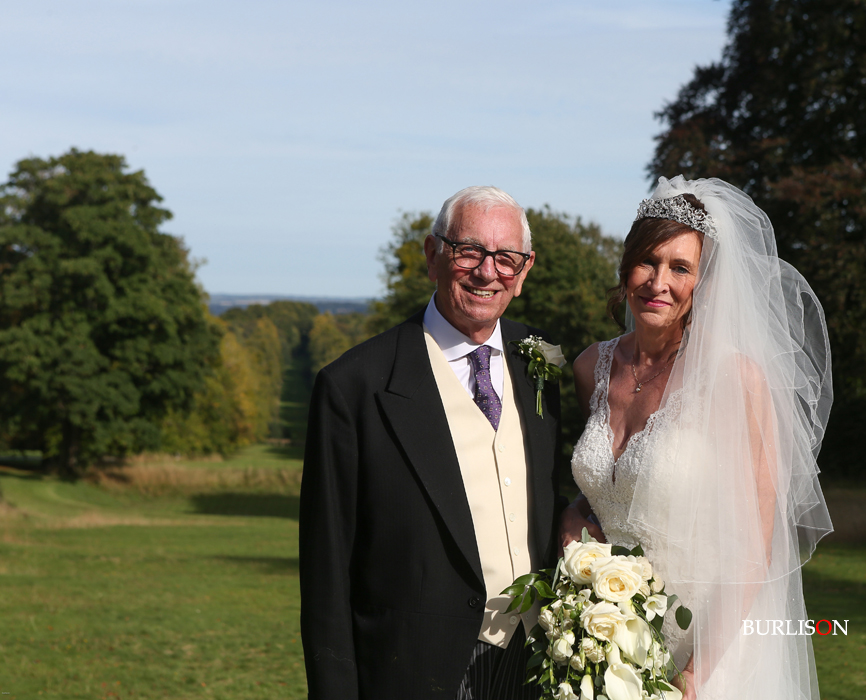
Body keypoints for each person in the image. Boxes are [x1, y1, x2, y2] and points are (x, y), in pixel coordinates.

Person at [562, 176, 834, 699]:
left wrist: (696, 672)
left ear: (704, 282)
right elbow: (610, 486)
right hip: (604, 635)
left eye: (680, 267)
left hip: (706, 643)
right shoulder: (590, 367)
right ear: (626, 268)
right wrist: (572, 515)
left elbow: (757, 542)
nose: (658, 282)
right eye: (647, 261)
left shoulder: (734, 378)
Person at [299, 185, 562, 699]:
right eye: (469, 251)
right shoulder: (354, 386)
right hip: (416, 672)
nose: (487, 272)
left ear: (524, 270)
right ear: (432, 254)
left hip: (537, 665)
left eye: (506, 258)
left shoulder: (541, 362)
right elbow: (326, 572)